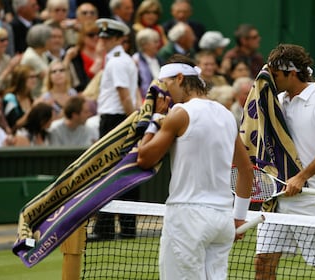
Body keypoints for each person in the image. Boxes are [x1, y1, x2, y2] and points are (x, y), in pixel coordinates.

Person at [136, 54, 253, 279]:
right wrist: (238, 217)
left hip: (187, 218)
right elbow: (246, 171)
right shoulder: (227, 115)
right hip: (221, 221)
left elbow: (145, 158)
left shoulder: (179, 114)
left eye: (166, 84)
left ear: (180, 78)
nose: (165, 92)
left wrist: (156, 117)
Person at [253, 44, 315, 279]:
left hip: (312, 199)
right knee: (263, 261)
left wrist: (301, 177)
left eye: (275, 75)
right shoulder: (277, 101)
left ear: (291, 72)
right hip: (278, 198)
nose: (271, 80)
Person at [94, 18, 139, 239]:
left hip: (116, 121)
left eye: (107, 37)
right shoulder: (118, 59)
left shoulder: (117, 61)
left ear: (118, 39)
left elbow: (124, 95)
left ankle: (107, 229)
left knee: (109, 174)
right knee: (117, 173)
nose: (102, 41)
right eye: (102, 37)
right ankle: (120, 228)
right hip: (118, 120)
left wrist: (132, 122)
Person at [20, 23, 52, 98]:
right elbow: (49, 77)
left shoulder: (42, 54)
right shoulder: (31, 57)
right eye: (50, 38)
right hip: (34, 96)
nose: (52, 41)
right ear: (43, 40)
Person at [3, 64, 37, 132]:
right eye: (31, 77)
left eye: (35, 76)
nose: (35, 79)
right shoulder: (10, 98)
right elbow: (14, 126)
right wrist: (33, 108)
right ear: (21, 79)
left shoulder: (32, 99)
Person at [133, 28, 164, 99]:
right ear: (144, 45)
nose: (158, 45)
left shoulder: (159, 59)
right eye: (155, 42)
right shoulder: (135, 60)